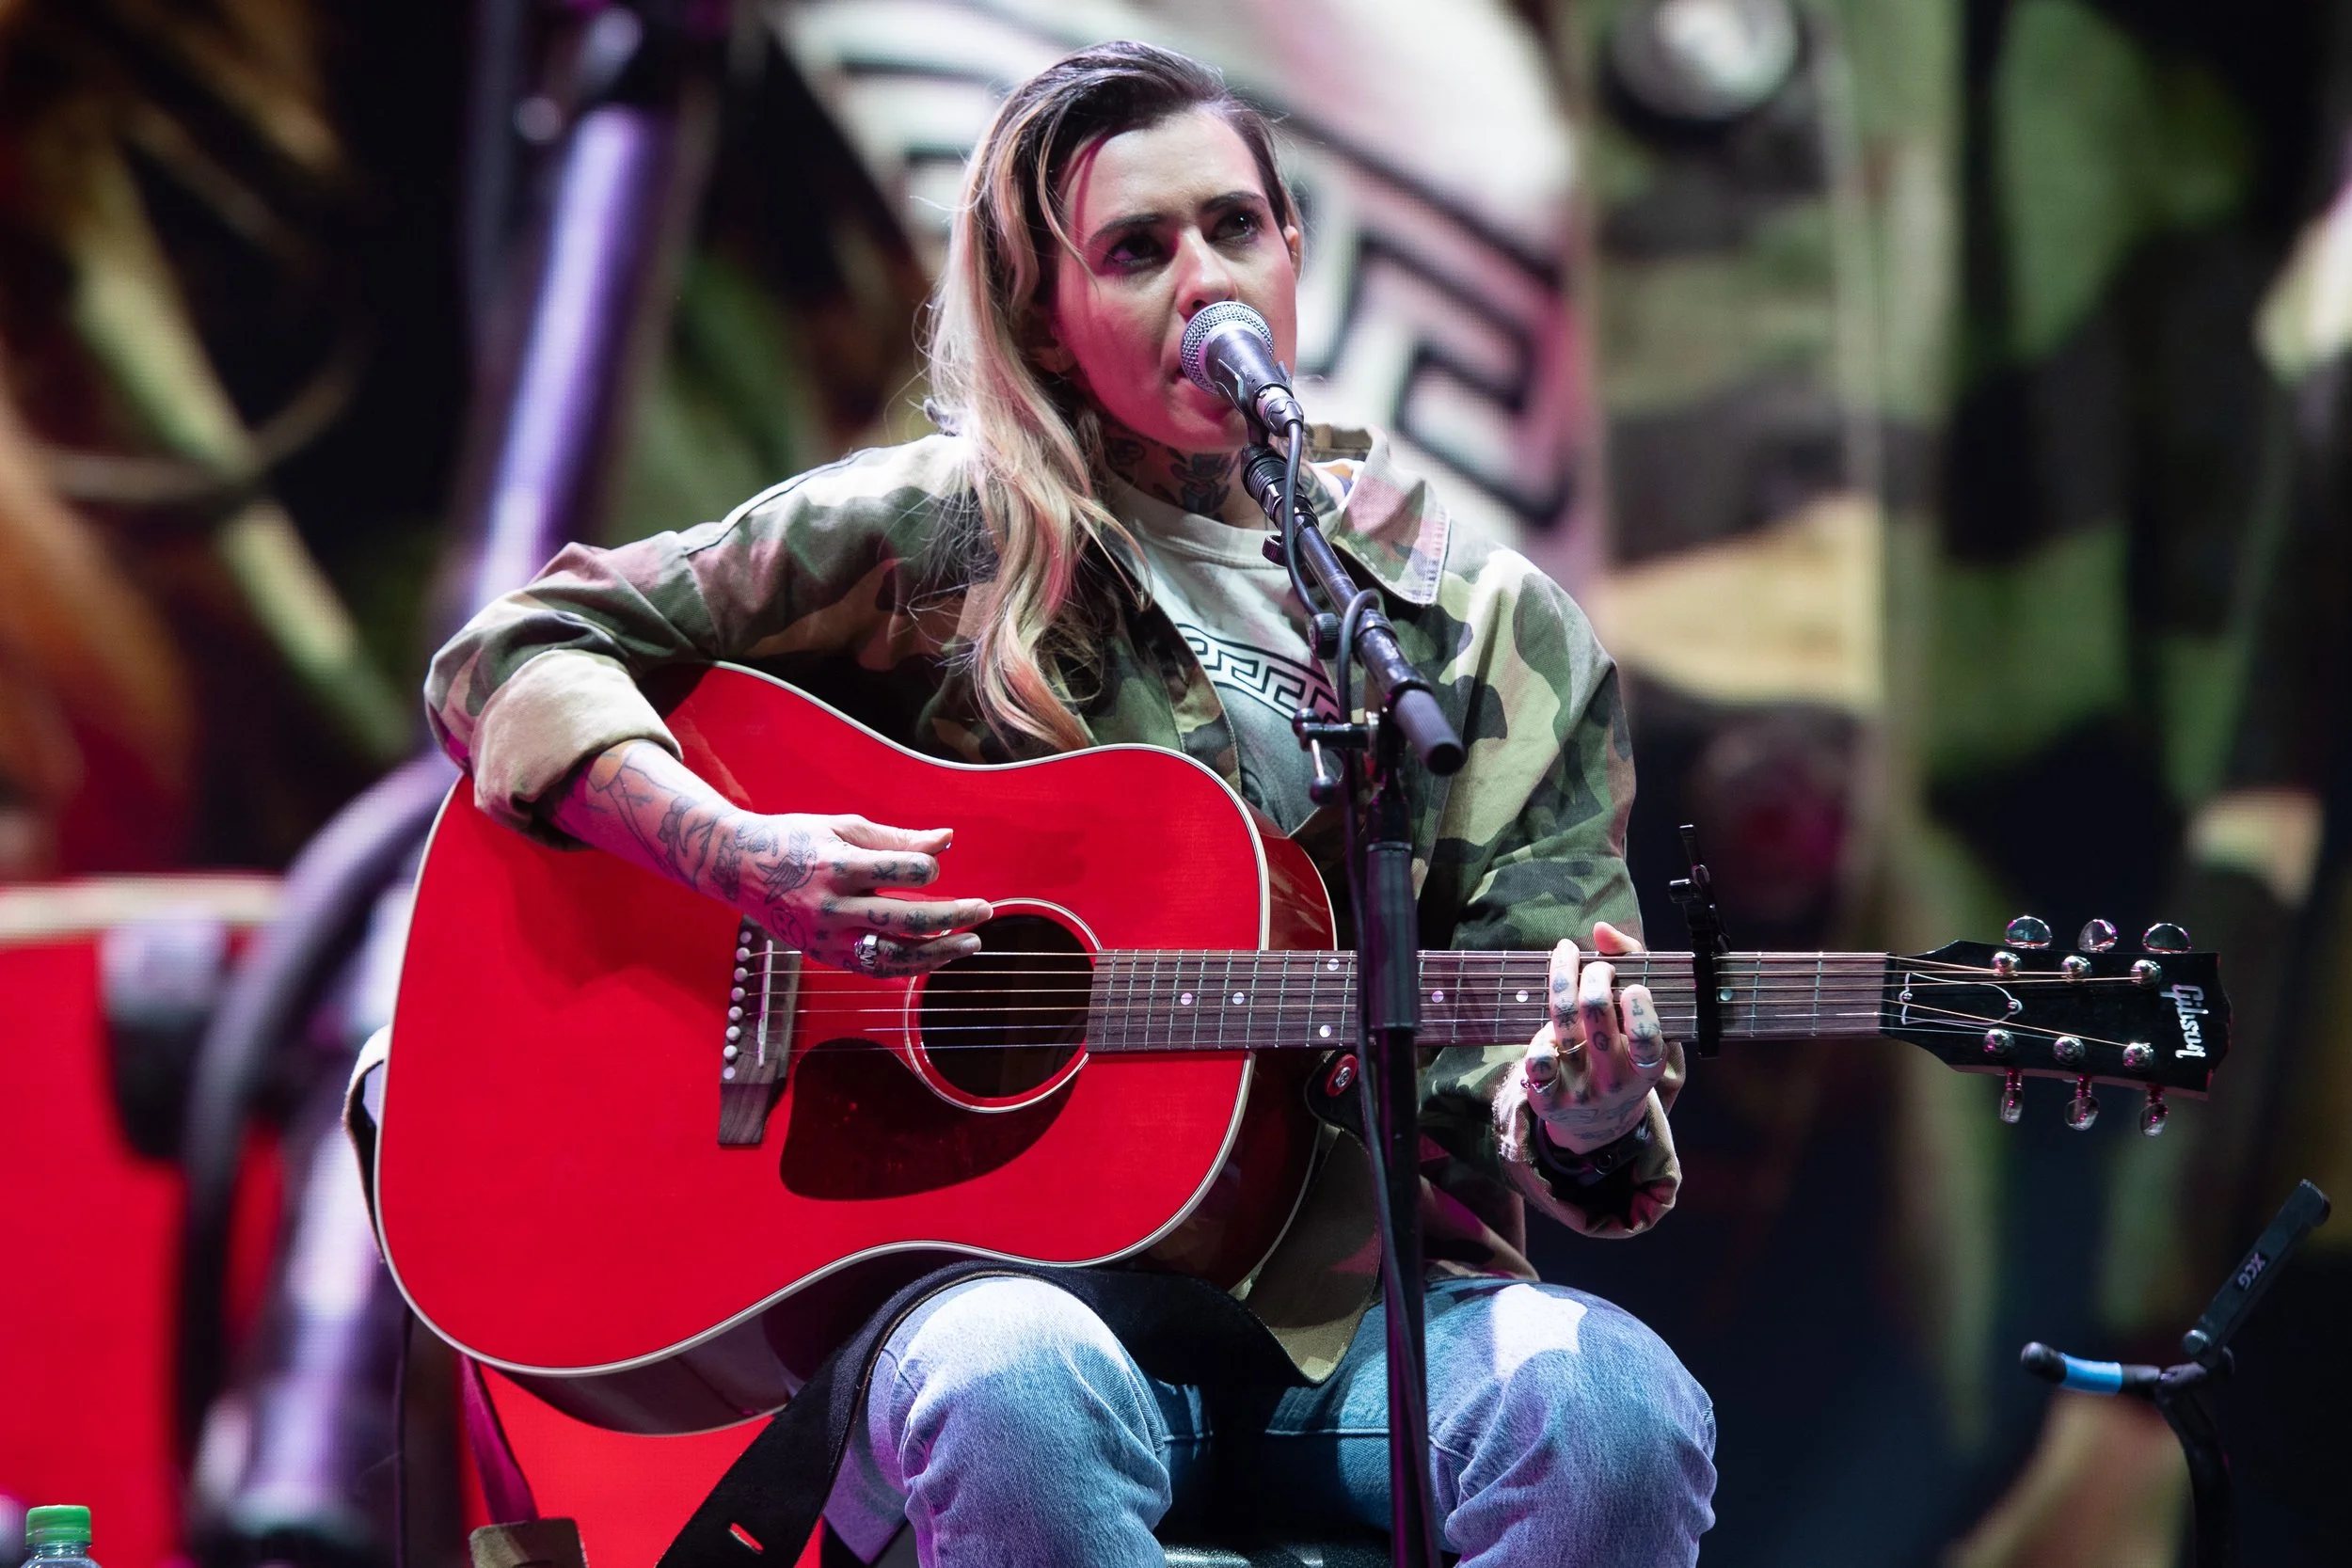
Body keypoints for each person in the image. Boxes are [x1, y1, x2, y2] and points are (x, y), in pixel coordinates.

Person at [423, 40, 1716, 1568]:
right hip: (1008, 1312)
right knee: (1011, 1385)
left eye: (1234, 227)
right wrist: (741, 853)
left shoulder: (1487, 630)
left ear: (1294, 249)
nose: (1206, 279)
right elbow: (513, 654)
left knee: (1615, 1408)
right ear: (1048, 315)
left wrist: (1581, 1106)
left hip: (1371, 1333)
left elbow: (1543, 1072)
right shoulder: (939, 533)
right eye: (1137, 250)